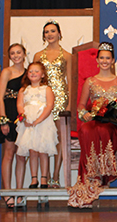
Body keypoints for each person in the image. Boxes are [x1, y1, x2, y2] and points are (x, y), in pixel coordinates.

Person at [68, 42, 117, 208]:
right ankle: (90, 177)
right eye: (101, 57)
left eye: (107, 58)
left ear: (113, 60)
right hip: (94, 120)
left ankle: (103, 175)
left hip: (111, 123)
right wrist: (85, 114)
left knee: (103, 129)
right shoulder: (90, 81)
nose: (104, 61)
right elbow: (81, 105)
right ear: (97, 60)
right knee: (87, 129)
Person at [34, 20, 72, 188]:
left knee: (60, 138)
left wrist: (69, 105)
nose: (49, 34)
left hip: (61, 99)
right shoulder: (37, 56)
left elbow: (70, 80)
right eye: (46, 32)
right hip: (42, 99)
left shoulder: (67, 56)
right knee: (43, 138)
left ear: (59, 34)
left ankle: (55, 176)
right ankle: (45, 177)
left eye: (52, 31)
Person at [15, 62, 58, 190]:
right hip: (28, 122)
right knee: (32, 150)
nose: (33, 73)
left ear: (42, 74)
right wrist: (23, 117)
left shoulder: (46, 89)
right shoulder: (24, 90)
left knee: (42, 150)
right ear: (27, 74)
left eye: (36, 71)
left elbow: (50, 105)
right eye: (30, 71)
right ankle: (34, 178)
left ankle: (44, 178)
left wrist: (39, 120)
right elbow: (20, 105)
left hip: (43, 121)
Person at [0, 44, 27, 208]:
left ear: (24, 54)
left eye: (18, 52)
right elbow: (0, 97)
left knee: (21, 155)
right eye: (12, 53)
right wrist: (3, 120)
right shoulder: (6, 72)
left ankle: (20, 192)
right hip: (8, 113)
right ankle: (7, 193)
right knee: (8, 153)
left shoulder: (29, 72)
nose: (16, 55)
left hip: (23, 117)